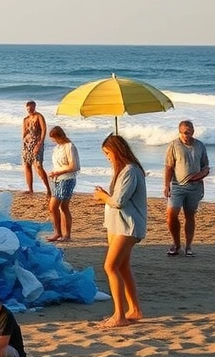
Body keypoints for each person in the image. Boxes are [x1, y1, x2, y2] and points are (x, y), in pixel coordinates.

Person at [92, 134, 147, 329]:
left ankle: (119, 315)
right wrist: (103, 198)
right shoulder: (122, 170)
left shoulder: (130, 171)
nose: (107, 157)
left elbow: (118, 201)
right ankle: (134, 309)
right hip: (118, 223)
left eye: (108, 153)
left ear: (117, 151)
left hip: (128, 225)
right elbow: (117, 199)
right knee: (122, 266)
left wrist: (103, 196)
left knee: (110, 266)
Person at [163, 120, 209, 257]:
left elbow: (206, 167)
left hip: (195, 187)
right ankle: (176, 244)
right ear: (179, 132)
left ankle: (188, 246)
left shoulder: (200, 145)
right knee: (171, 214)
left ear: (193, 132)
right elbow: (169, 167)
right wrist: (166, 185)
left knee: (190, 215)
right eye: (183, 133)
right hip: (177, 186)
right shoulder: (174, 145)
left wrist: (200, 175)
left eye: (188, 133)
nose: (185, 135)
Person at [46, 126, 80, 242]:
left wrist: (58, 172)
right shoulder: (57, 148)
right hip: (57, 178)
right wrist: (54, 173)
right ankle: (60, 233)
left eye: (55, 139)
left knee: (56, 206)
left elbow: (74, 166)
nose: (54, 141)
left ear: (60, 136)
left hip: (67, 178)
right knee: (61, 207)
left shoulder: (70, 147)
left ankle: (62, 233)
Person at [21, 101, 51, 196]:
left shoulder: (39, 117)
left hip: (37, 143)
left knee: (38, 166)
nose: (30, 110)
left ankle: (48, 189)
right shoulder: (26, 119)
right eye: (28, 109)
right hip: (27, 144)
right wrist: (25, 140)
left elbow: (44, 130)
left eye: (31, 108)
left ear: (34, 107)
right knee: (27, 165)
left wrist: (40, 144)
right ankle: (30, 189)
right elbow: (24, 132)